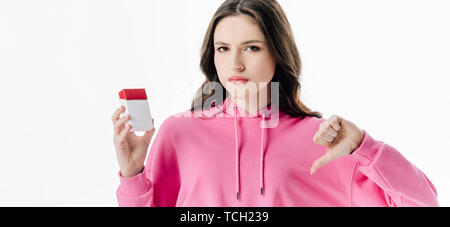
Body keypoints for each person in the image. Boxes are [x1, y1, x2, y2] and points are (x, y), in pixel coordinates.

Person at [111, 0, 439, 207]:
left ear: (277, 54)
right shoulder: (178, 132)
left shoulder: (323, 139)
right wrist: (132, 175)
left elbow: (424, 203)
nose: (235, 64)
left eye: (252, 48)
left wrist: (365, 147)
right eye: (223, 48)